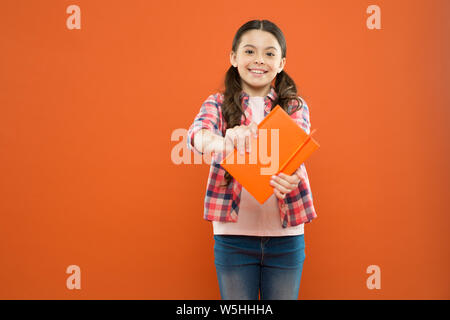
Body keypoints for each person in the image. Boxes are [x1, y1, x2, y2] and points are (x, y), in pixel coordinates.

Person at [186, 19, 318, 300]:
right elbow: (197, 136)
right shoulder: (217, 104)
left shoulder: (294, 106)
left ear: (281, 63)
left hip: (286, 238)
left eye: (269, 53)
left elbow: (294, 156)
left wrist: (291, 179)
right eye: (249, 51)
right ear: (234, 57)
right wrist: (224, 141)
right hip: (232, 238)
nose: (259, 60)